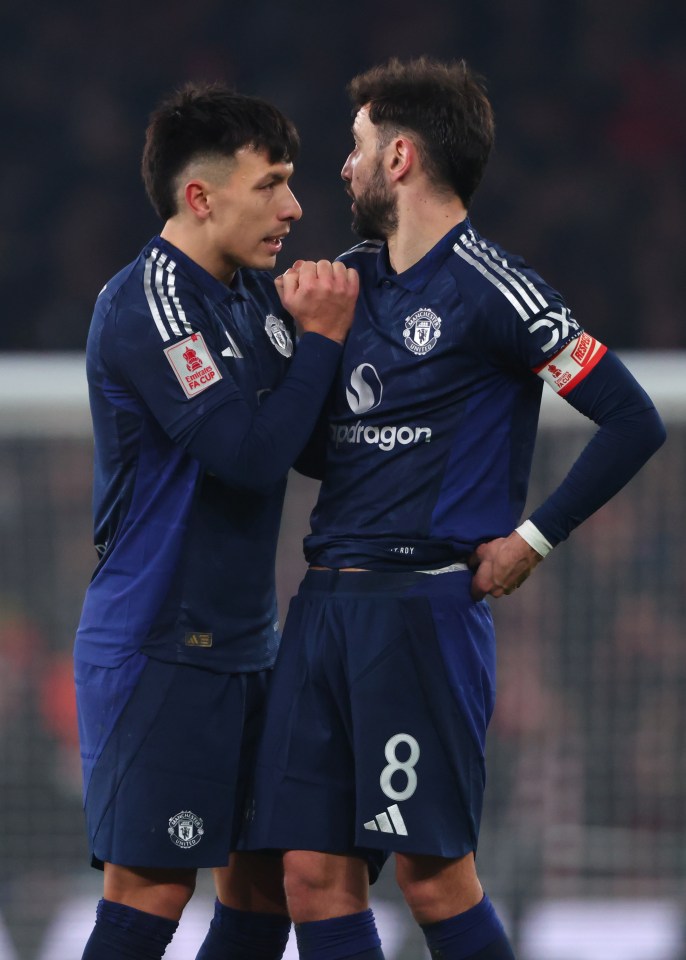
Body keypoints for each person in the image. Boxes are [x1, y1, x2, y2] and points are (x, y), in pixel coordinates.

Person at [240, 57, 667, 960]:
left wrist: (533, 537)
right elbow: (328, 449)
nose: (343, 171)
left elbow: (632, 418)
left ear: (400, 158)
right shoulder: (346, 286)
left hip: (423, 614)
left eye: (356, 148)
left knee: (435, 879)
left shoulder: (494, 286)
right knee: (311, 878)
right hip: (323, 603)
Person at [73, 80, 360, 960]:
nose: (294, 205)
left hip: (245, 647)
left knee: (262, 887)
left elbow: (306, 445)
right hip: (160, 644)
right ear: (200, 196)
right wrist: (321, 341)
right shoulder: (148, 303)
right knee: (152, 892)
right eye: (271, 183)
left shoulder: (246, 300)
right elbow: (243, 454)